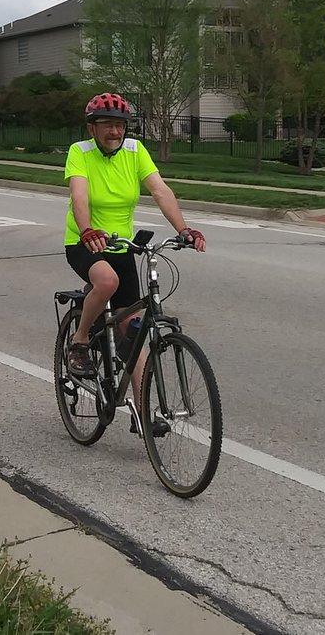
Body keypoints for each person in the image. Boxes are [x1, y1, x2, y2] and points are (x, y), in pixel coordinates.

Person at [63, 92, 205, 432]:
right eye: (107, 125)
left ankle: (143, 412)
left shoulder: (135, 150)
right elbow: (79, 195)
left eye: (120, 125)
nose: (115, 131)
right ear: (92, 128)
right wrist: (87, 230)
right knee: (107, 282)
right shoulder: (79, 152)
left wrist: (183, 229)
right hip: (85, 242)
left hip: (121, 246)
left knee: (132, 329)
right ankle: (80, 342)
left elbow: (160, 190)